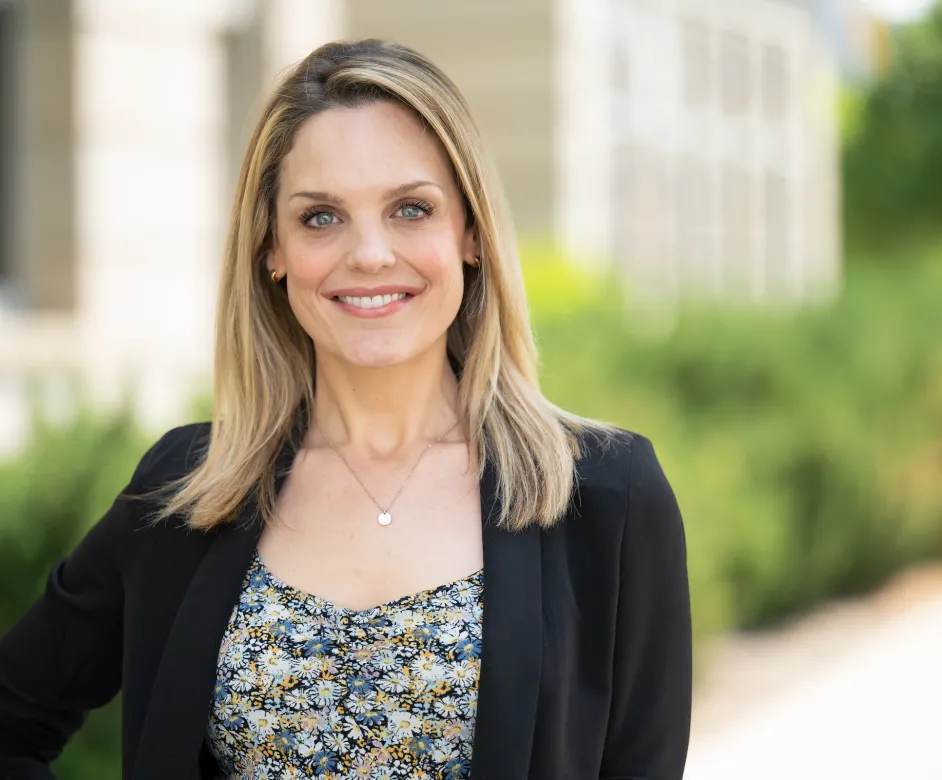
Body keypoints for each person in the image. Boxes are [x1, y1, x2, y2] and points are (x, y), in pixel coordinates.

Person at [0, 39, 691, 780]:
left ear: (471, 234)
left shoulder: (606, 499)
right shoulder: (186, 493)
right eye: (322, 217)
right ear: (272, 248)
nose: (368, 254)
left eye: (410, 209)